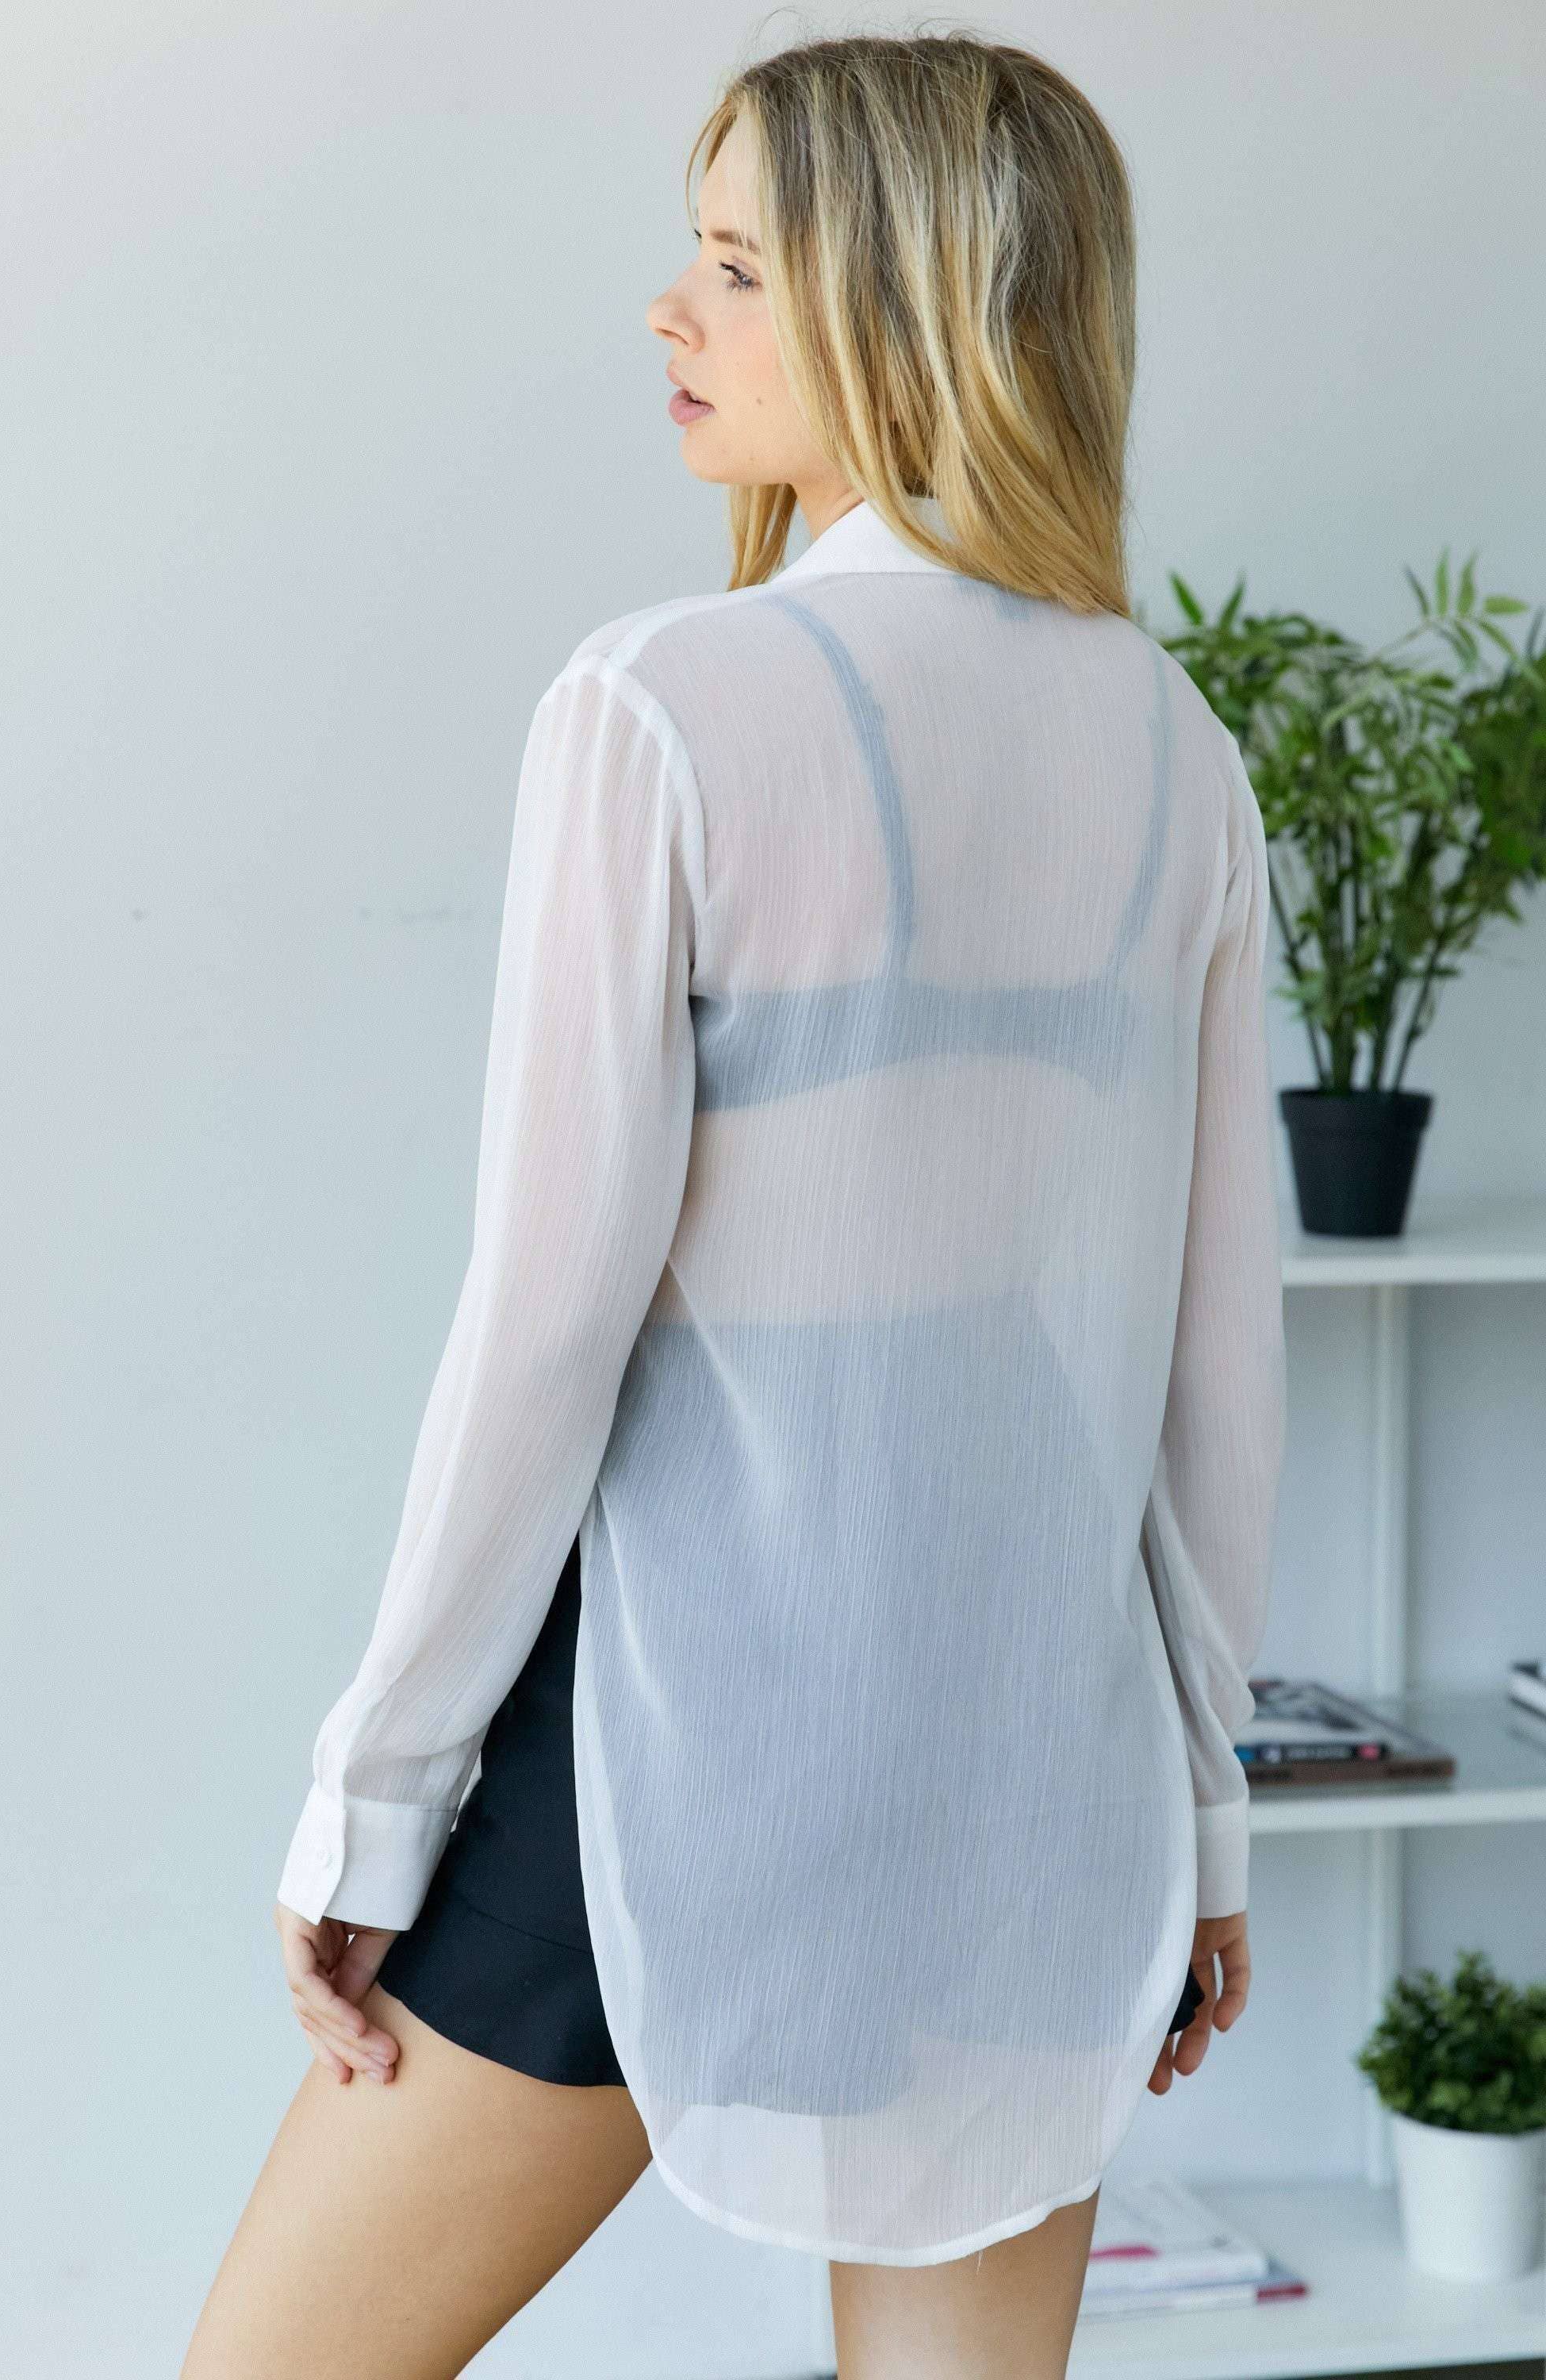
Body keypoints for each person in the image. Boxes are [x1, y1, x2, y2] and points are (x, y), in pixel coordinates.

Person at [183, 30, 1286, 2379]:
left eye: (736, 267)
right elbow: (1215, 1366)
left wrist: (374, 1803)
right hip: (1032, 1765)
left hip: (687, 1725)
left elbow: (545, 1324)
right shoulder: (1179, 751)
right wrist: (1206, 1816)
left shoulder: (664, 704)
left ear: (905, 302)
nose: (670, 314)